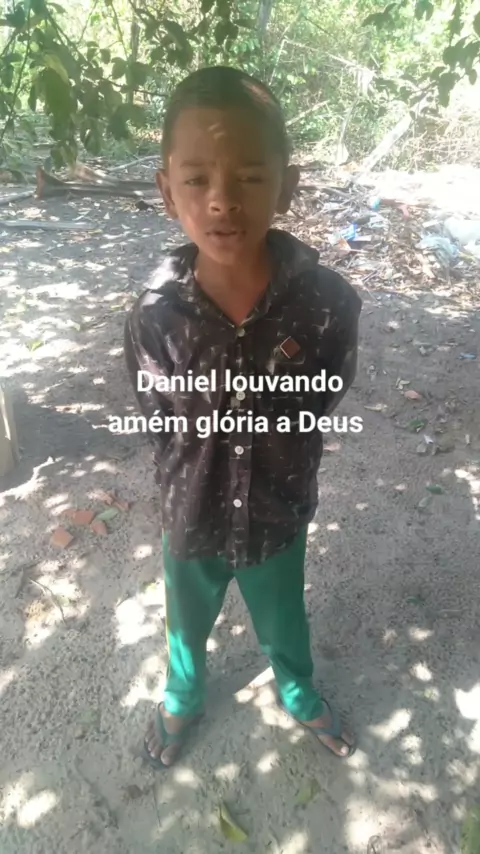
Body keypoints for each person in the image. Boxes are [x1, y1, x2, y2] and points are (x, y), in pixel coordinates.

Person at [124, 65, 362, 769]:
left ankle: (297, 688)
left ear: (286, 186)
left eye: (251, 177)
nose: (222, 199)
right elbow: (155, 411)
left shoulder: (327, 303)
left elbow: (326, 390)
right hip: (191, 509)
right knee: (186, 620)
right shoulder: (154, 314)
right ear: (167, 190)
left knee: (284, 614)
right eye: (197, 178)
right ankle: (183, 696)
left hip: (277, 506)